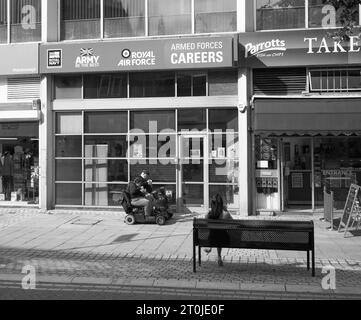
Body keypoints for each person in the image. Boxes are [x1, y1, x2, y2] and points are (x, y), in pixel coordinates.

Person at [204, 194, 233, 267]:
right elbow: (233, 223)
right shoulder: (225, 214)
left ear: (211, 204)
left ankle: (210, 247)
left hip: (211, 239)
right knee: (220, 234)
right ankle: (219, 256)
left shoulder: (208, 214)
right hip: (224, 240)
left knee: (214, 232)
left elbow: (206, 225)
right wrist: (226, 210)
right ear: (222, 203)